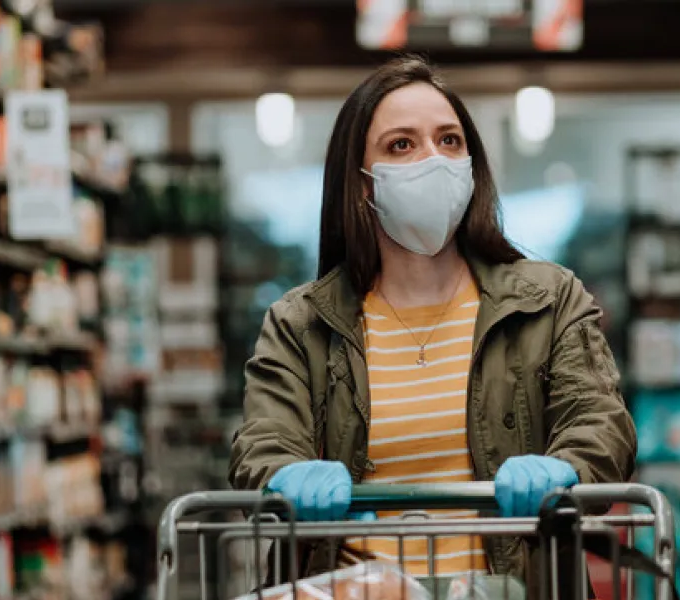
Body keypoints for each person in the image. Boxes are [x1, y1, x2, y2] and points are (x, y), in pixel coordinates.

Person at [228, 55, 636, 583]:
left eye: (449, 141)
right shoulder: (300, 325)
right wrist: (284, 475)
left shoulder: (548, 301)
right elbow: (263, 444)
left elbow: (602, 424)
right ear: (362, 184)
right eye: (402, 145)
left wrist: (568, 466)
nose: (433, 160)